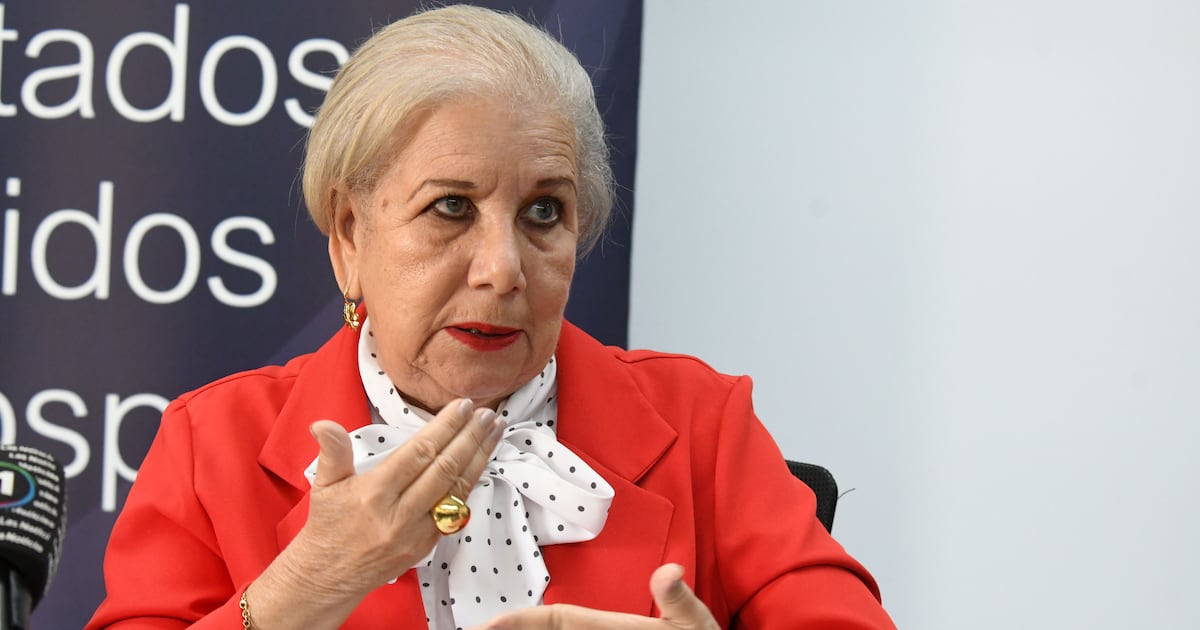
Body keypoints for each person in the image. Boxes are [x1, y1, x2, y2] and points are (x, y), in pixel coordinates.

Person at [86, 5, 896, 629]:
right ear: (350, 234)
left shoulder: (702, 425)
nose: (504, 268)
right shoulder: (210, 447)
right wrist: (305, 587)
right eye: (451, 207)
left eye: (544, 212)